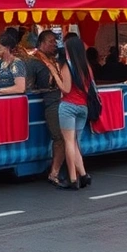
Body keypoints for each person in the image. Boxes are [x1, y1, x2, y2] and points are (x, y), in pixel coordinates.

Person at [43, 36, 93, 190]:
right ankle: (83, 175)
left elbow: (66, 88)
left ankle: (73, 179)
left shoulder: (67, 67)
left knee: (69, 142)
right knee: (76, 142)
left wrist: (56, 77)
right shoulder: (87, 67)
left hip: (68, 106)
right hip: (83, 107)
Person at [29, 30, 66, 187]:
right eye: (51, 41)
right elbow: (28, 86)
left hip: (62, 101)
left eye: (55, 41)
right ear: (41, 43)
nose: (54, 44)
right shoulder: (33, 61)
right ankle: (54, 173)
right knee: (60, 138)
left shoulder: (55, 60)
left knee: (66, 138)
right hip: (51, 103)